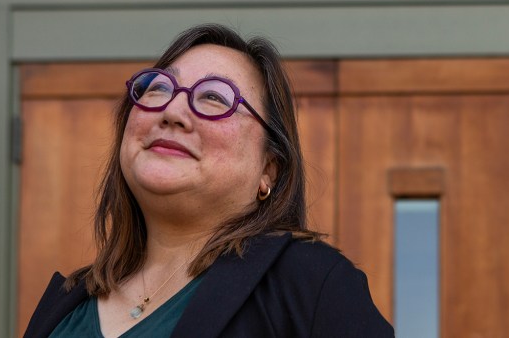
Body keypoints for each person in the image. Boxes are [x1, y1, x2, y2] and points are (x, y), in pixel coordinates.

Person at [23, 23, 393, 338]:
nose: (172, 111)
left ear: (269, 169)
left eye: (214, 97)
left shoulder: (312, 285)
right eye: (158, 88)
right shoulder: (66, 305)